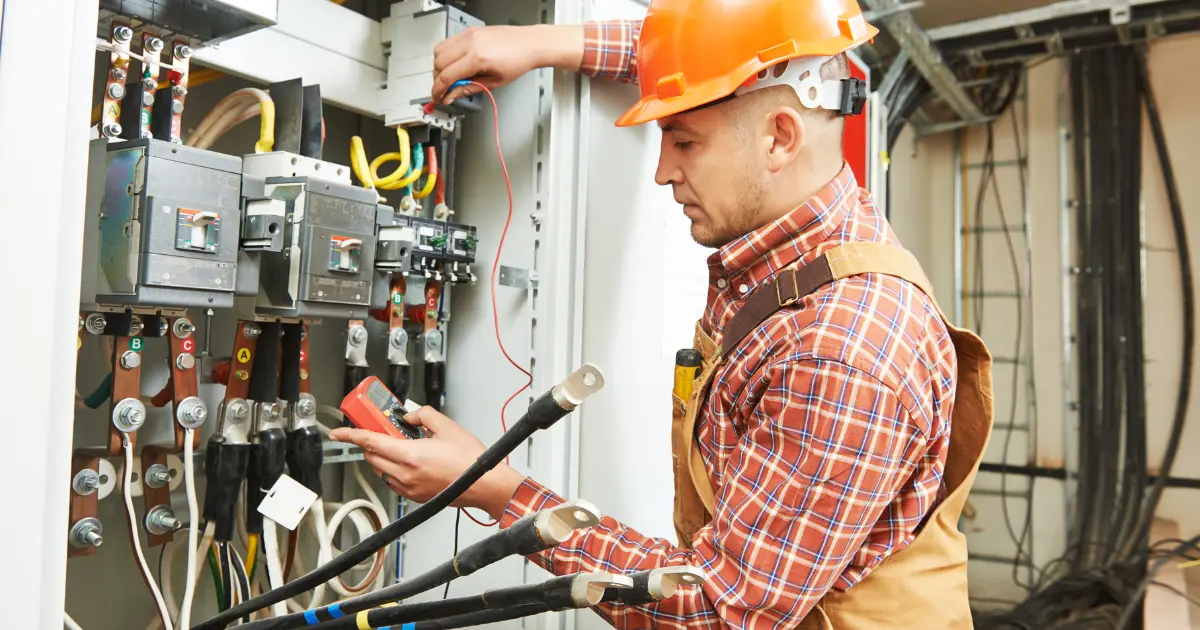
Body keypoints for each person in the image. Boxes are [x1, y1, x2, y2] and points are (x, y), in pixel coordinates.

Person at [331, 1, 995, 628]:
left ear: (779, 138)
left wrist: (501, 493)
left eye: (683, 142)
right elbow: (695, 58)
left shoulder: (841, 348)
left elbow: (717, 611)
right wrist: (538, 42)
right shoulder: (808, 231)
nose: (662, 173)